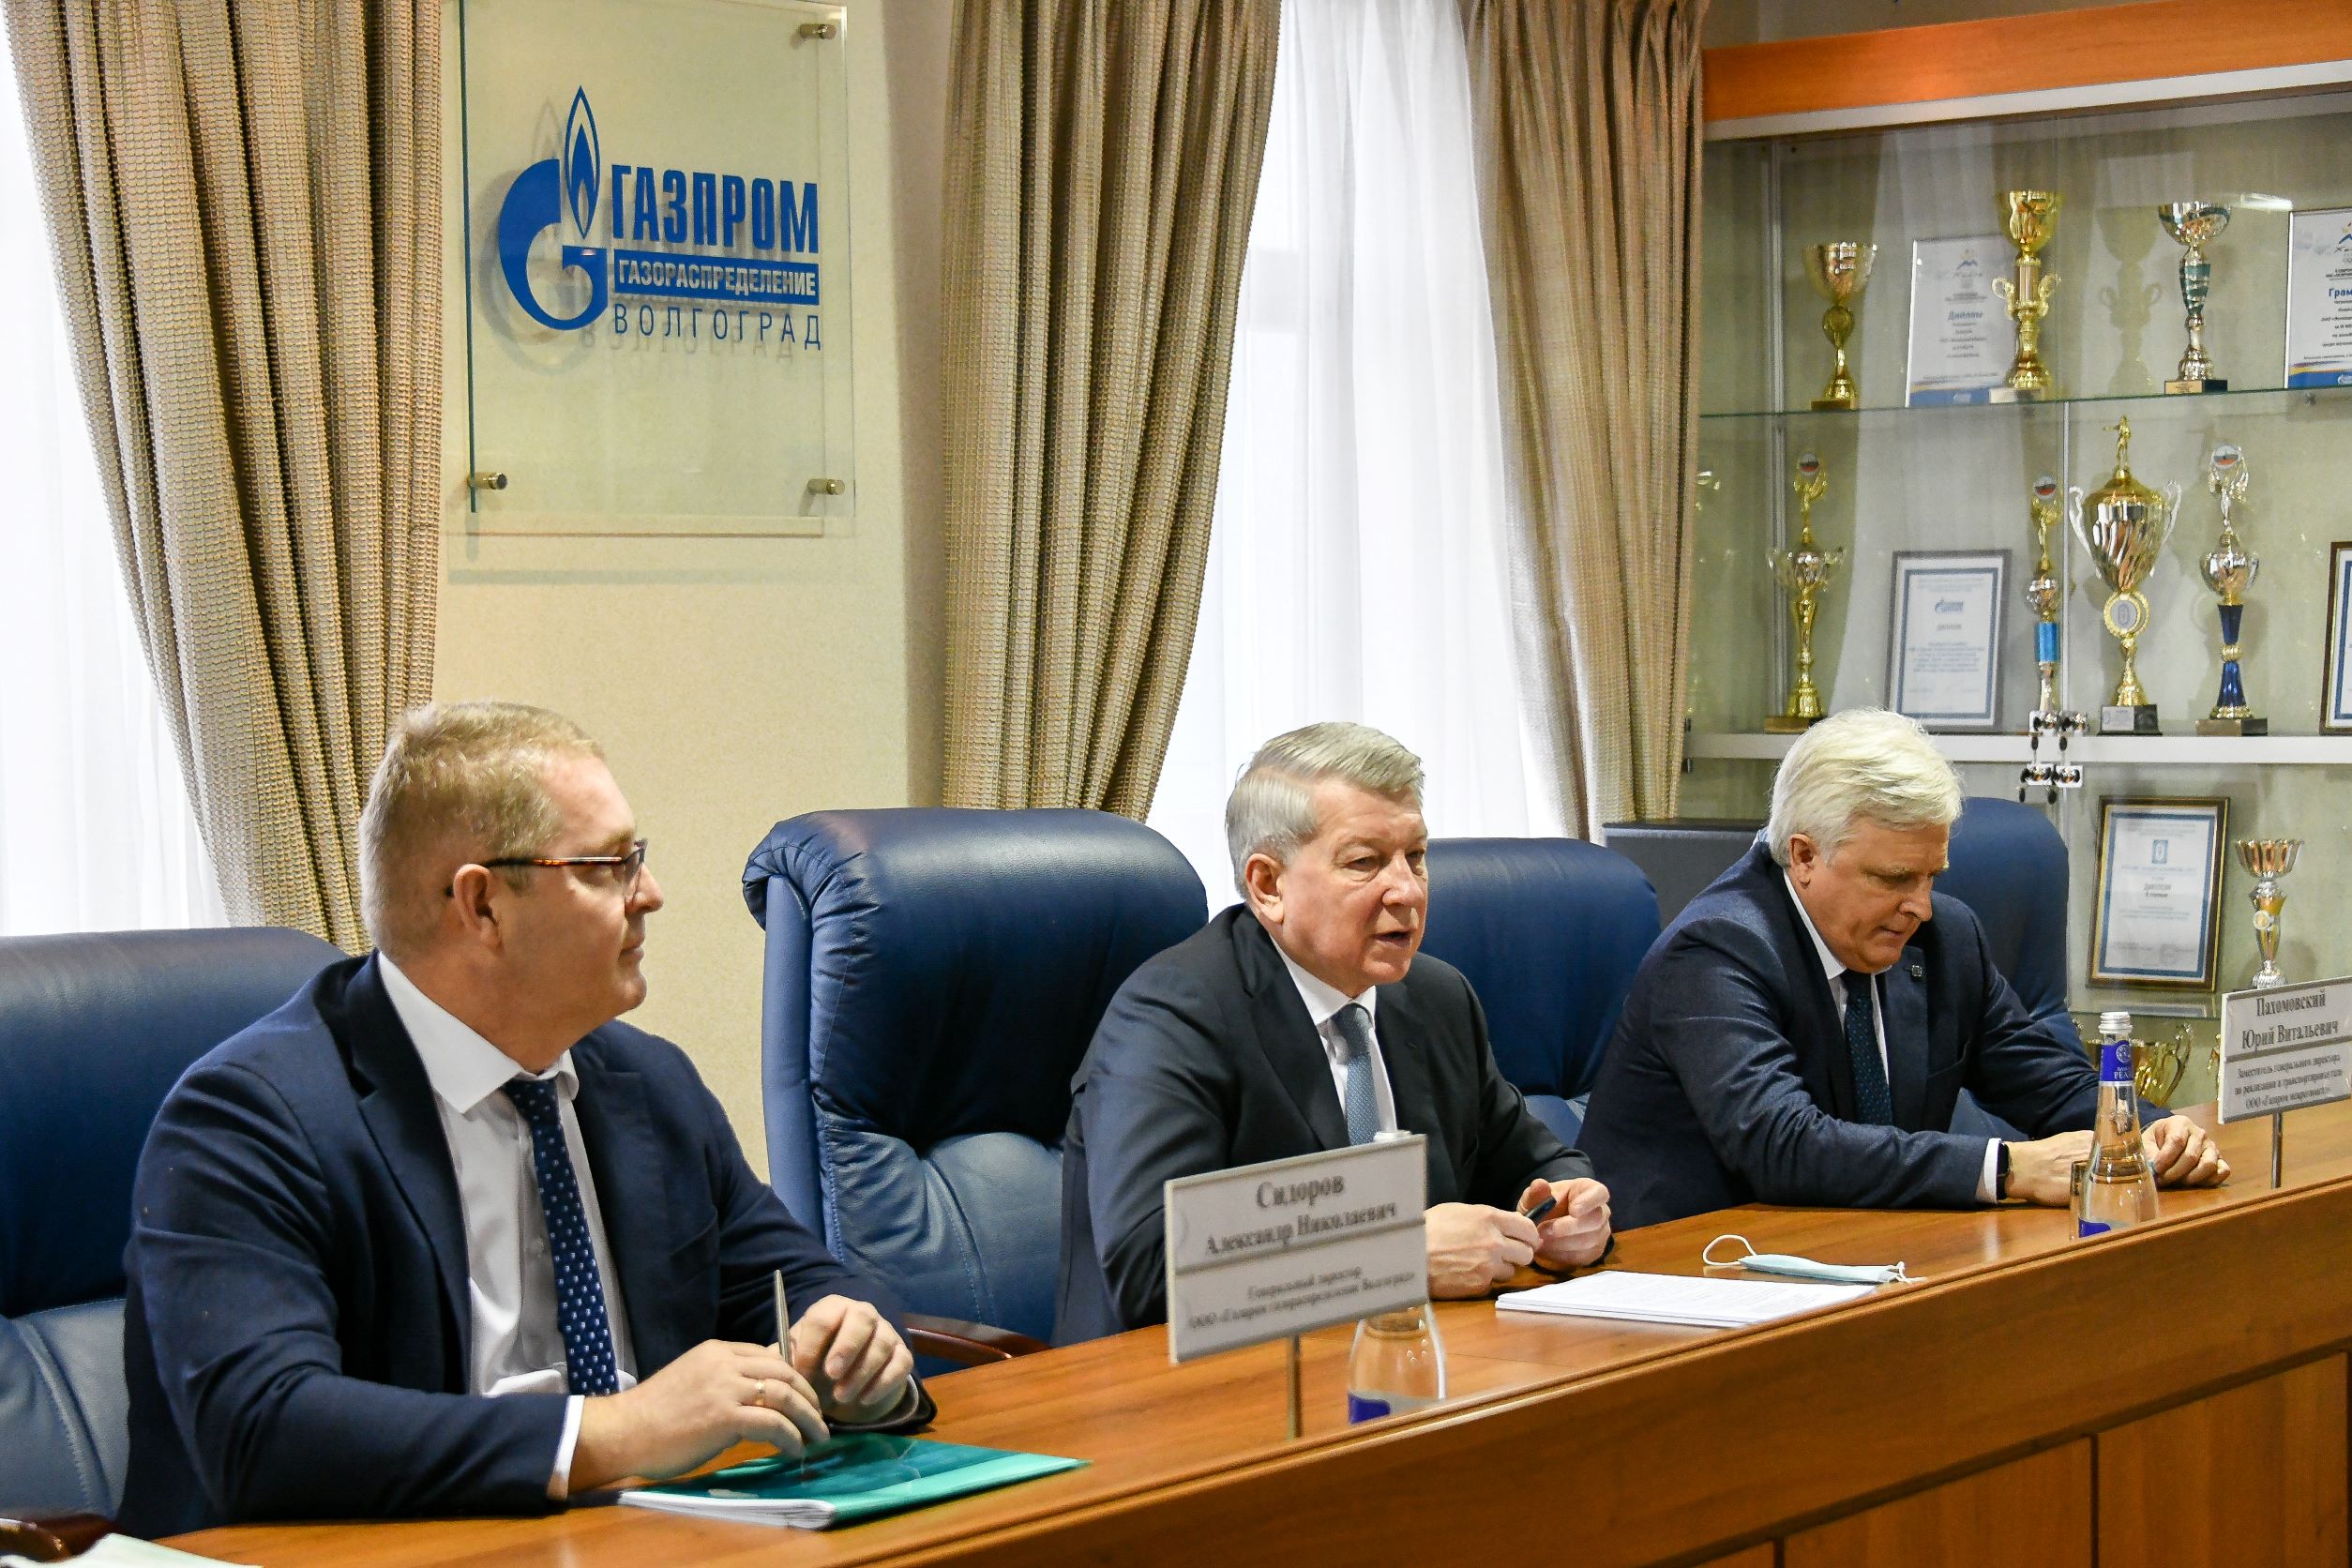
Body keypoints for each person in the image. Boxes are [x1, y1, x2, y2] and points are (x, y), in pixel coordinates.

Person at [119, 702, 931, 1536]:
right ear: (482, 906)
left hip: (638, 1540)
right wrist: (616, 1432)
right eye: (609, 865)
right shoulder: (250, 1119)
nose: (650, 894)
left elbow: (798, 1284)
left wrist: (849, 1344)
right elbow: (264, 1430)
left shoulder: (648, 1084)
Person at [1055, 721, 1612, 1343]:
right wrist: (1396, 1255)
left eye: (1416, 857)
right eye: (1365, 862)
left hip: (1407, 1362)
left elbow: (1534, 1162)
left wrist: (1568, 1209)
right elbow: (1152, 1267)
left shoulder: (1436, 998)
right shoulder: (1172, 1016)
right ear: (1268, 885)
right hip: (1193, 1382)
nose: (1407, 890)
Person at [1579, 708, 2228, 1230]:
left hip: (1867, 1252)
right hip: (1694, 1278)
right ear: (1803, 856)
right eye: (1893, 878)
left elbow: (2045, 1084)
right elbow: (1784, 1144)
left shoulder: (1945, 938)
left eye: (1930, 875)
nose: (1921, 905)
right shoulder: (1717, 951)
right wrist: (2008, 1169)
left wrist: (2145, 1128)